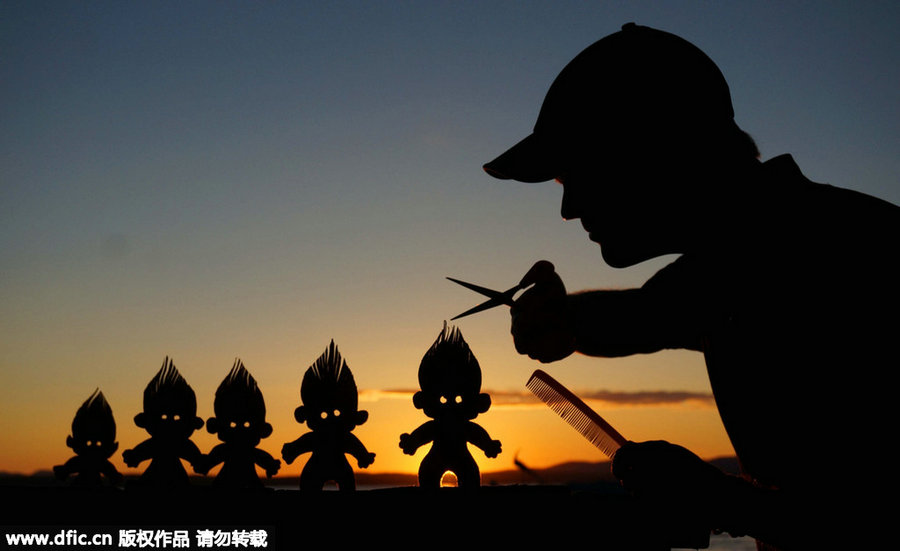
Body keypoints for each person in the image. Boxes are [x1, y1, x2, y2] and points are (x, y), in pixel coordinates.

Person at [483, 23, 898, 550]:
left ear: (650, 147)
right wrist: (564, 321)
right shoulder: (741, 261)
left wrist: (732, 504)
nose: (568, 209)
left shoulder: (855, 256)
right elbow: (647, 315)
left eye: (574, 175)